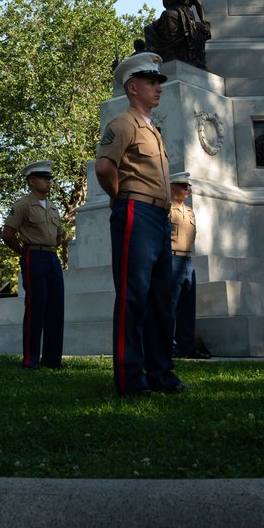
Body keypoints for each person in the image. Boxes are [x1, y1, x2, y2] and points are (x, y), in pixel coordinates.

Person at [95, 52, 185, 396]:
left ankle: (162, 373)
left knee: (162, 299)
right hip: (136, 212)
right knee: (134, 297)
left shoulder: (152, 128)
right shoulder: (123, 124)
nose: (158, 88)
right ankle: (130, 378)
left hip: (158, 216)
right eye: (151, 83)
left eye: (159, 82)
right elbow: (105, 167)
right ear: (133, 88)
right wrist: (120, 197)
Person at [1, 160, 66, 370]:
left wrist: (52, 247)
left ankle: (52, 359)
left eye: (50, 178)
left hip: (52, 257)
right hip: (34, 256)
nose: (49, 182)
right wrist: (24, 252)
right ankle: (31, 359)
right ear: (32, 181)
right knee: (36, 307)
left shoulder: (54, 207)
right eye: (44, 178)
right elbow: (8, 234)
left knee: (56, 308)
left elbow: (60, 235)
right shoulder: (23, 204)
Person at [168, 172, 210, 360]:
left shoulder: (189, 211)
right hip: (171, 259)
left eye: (188, 187)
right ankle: (168, 346)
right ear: (172, 188)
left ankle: (187, 346)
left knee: (187, 306)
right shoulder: (166, 209)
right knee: (170, 306)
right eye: (182, 186)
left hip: (187, 260)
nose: (187, 190)